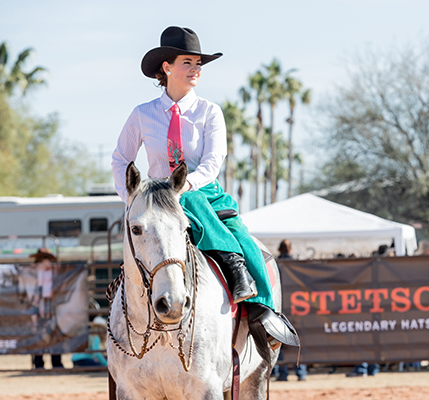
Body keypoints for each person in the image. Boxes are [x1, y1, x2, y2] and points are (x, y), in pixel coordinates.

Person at [111, 26, 298, 356]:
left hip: (204, 192)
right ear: (166, 67)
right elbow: (121, 158)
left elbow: (214, 160)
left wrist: (185, 187)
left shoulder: (210, 112)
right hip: (158, 202)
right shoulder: (143, 114)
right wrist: (131, 199)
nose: (196, 69)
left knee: (247, 240)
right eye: (188, 62)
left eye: (199, 63)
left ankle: (264, 312)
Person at [274, 239, 307, 381]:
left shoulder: (274, 264)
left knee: (279, 342)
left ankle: (282, 373)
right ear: (290, 249)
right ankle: (301, 373)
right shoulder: (295, 265)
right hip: (297, 307)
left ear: (279, 249)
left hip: (280, 306)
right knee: (298, 341)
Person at [29, 248, 63, 370]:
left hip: (51, 307)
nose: (47, 262)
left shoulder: (54, 273)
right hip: (39, 307)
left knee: (54, 334)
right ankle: (39, 363)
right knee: (39, 335)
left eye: (47, 259)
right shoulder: (34, 272)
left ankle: (56, 362)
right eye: (44, 259)